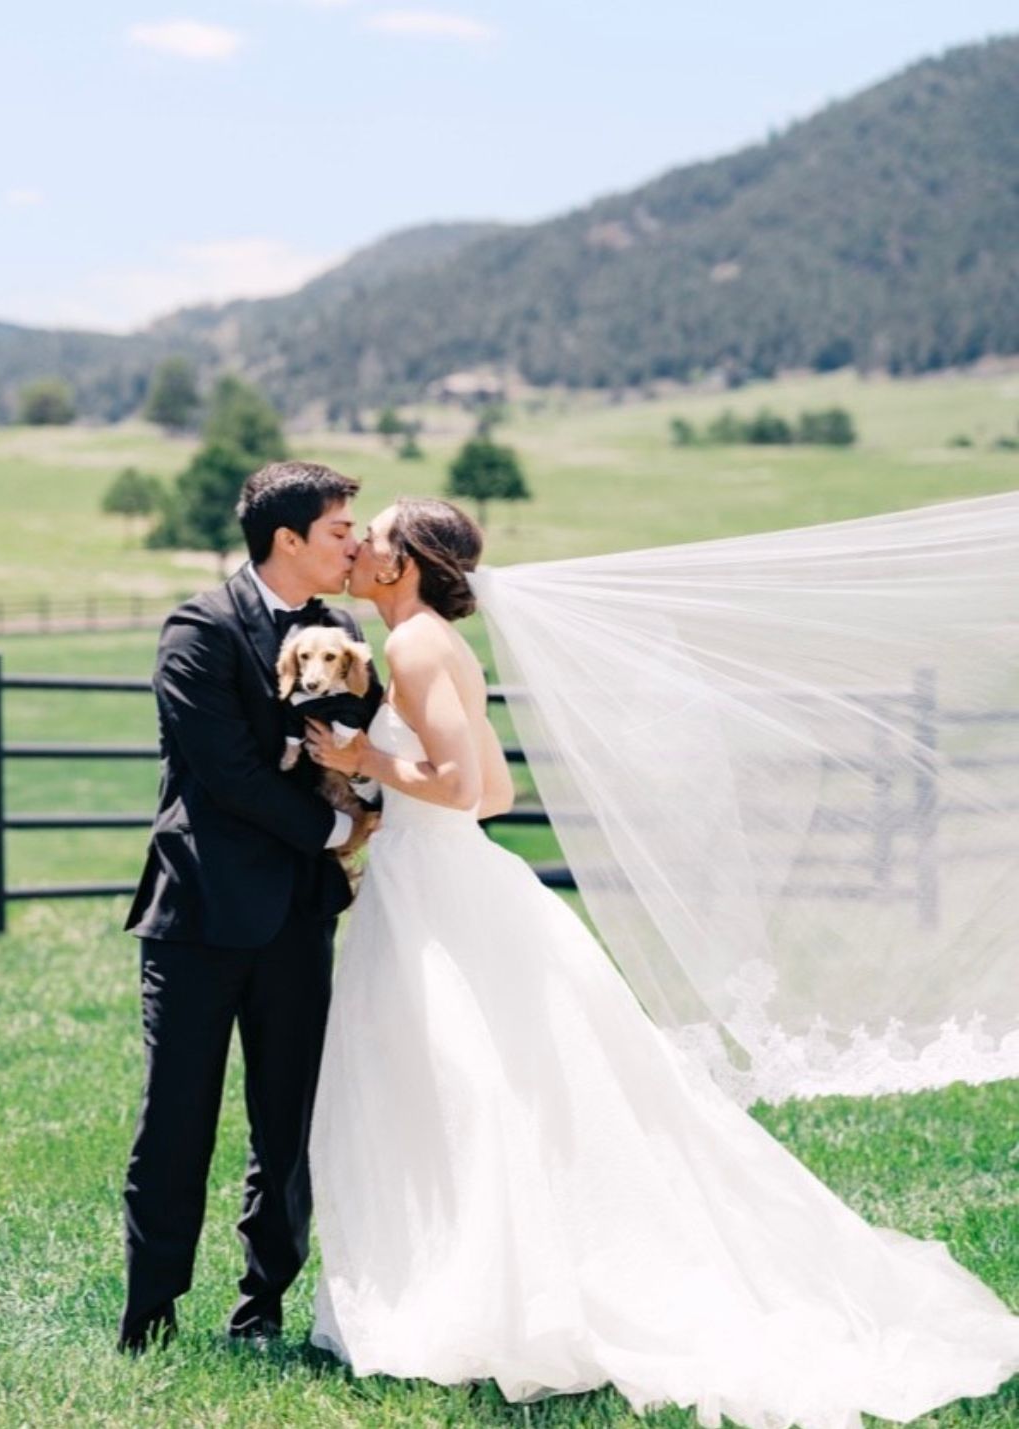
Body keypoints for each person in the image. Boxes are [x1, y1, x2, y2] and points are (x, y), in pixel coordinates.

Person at [301, 497, 1019, 1428]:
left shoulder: (413, 647)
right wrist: (382, 795)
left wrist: (365, 757)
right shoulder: (433, 642)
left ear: (404, 564)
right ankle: (474, 1291)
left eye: (376, 536)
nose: (358, 548)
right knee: (477, 1090)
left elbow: (468, 789)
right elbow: (499, 790)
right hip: (437, 879)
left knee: (461, 1090)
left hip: (440, 895)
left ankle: (481, 1304)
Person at [117, 461, 382, 1352]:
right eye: (342, 531)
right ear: (290, 539)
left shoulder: (342, 631)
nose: (354, 545)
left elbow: (364, 739)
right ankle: (148, 1314)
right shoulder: (197, 629)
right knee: (177, 1119)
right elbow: (225, 772)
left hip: (298, 920)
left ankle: (262, 1303)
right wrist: (329, 833)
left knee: (290, 1120)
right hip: (197, 917)